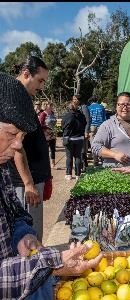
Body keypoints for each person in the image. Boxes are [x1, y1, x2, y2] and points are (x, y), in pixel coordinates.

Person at [0, 72, 102, 299]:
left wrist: (23, 235)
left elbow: (15, 213)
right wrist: (50, 265)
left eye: (22, 136)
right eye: (11, 134)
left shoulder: (2, 166)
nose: (18, 146)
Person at [7, 56, 52, 242]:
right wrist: (28, 183)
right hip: (26, 183)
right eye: (40, 80)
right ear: (26, 74)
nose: (41, 87)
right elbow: (16, 145)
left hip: (33, 179)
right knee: (30, 238)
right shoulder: (15, 99)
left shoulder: (22, 98)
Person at [91, 92, 130, 167]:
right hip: (115, 173)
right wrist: (114, 154)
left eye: (129, 104)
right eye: (121, 104)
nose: (125, 107)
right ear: (116, 107)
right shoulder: (107, 125)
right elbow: (95, 146)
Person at [61, 98, 87, 180]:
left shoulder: (67, 116)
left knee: (69, 157)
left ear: (70, 107)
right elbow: (85, 124)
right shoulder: (82, 116)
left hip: (69, 138)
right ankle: (78, 174)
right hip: (79, 138)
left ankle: (68, 174)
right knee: (78, 156)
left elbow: (63, 126)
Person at [88, 95, 107, 167]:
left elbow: (88, 117)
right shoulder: (101, 107)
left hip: (92, 126)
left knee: (93, 144)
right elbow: (104, 117)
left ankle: (95, 161)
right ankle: (102, 159)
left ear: (91, 101)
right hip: (100, 126)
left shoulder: (89, 107)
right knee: (101, 143)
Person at [74, 94, 91, 173]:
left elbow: (88, 120)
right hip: (77, 131)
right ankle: (81, 165)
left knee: (82, 150)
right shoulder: (77, 107)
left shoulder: (84, 107)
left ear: (79, 100)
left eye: (75, 99)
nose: (73, 101)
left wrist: (86, 131)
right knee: (78, 149)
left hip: (83, 131)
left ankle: (84, 165)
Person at [39, 101, 57, 169]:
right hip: (45, 135)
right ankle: (45, 163)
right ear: (46, 106)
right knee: (45, 150)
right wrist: (47, 128)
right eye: (50, 105)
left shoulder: (52, 113)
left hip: (52, 134)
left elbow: (55, 122)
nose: (51, 106)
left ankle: (53, 164)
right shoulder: (43, 114)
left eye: (51, 105)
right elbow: (40, 125)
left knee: (53, 149)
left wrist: (55, 129)